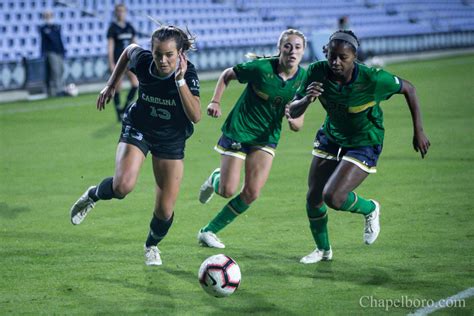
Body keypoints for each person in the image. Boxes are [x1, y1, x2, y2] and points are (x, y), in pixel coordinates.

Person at [287, 30, 430, 264]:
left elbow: (409, 89)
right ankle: (323, 251)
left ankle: (370, 208)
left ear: (354, 56)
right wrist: (307, 99)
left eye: (343, 57)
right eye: (332, 55)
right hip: (332, 135)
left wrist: (419, 131)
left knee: (333, 196)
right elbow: (292, 112)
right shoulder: (316, 72)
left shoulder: (373, 79)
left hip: (365, 140)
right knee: (313, 197)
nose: (335, 62)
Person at [70, 25, 201, 266]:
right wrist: (111, 83)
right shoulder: (143, 61)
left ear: (180, 54)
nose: (162, 60)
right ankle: (92, 195)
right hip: (139, 127)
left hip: (170, 139)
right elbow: (129, 50)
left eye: (169, 55)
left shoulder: (188, 74)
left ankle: (151, 245)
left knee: (164, 211)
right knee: (122, 186)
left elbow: (195, 116)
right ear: (151, 51)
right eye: (157, 53)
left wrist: (180, 81)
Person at [197, 29, 307, 248]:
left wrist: (294, 121)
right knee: (227, 190)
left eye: (297, 47)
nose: (292, 51)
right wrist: (215, 101)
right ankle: (215, 179)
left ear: (303, 51)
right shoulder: (260, 68)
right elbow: (227, 74)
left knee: (251, 192)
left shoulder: (303, 79)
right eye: (288, 46)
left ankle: (208, 232)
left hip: (266, 137)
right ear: (279, 49)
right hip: (239, 130)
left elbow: (299, 119)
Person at [106, 4, 139, 121]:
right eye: (118, 11)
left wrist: (137, 59)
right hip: (118, 61)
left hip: (129, 61)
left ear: (125, 12)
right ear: (115, 13)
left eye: (122, 11)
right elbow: (110, 47)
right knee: (117, 87)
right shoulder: (113, 28)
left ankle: (125, 108)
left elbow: (135, 44)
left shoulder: (130, 27)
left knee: (135, 85)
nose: (121, 13)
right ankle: (118, 113)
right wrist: (111, 63)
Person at [39, 10, 66, 97]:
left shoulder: (56, 27)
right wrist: (43, 53)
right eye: (47, 16)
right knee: (56, 71)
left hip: (58, 51)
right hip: (51, 52)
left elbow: (59, 40)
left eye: (50, 15)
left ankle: (62, 87)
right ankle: (58, 90)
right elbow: (43, 42)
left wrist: (63, 51)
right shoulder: (43, 28)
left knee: (61, 69)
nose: (49, 17)